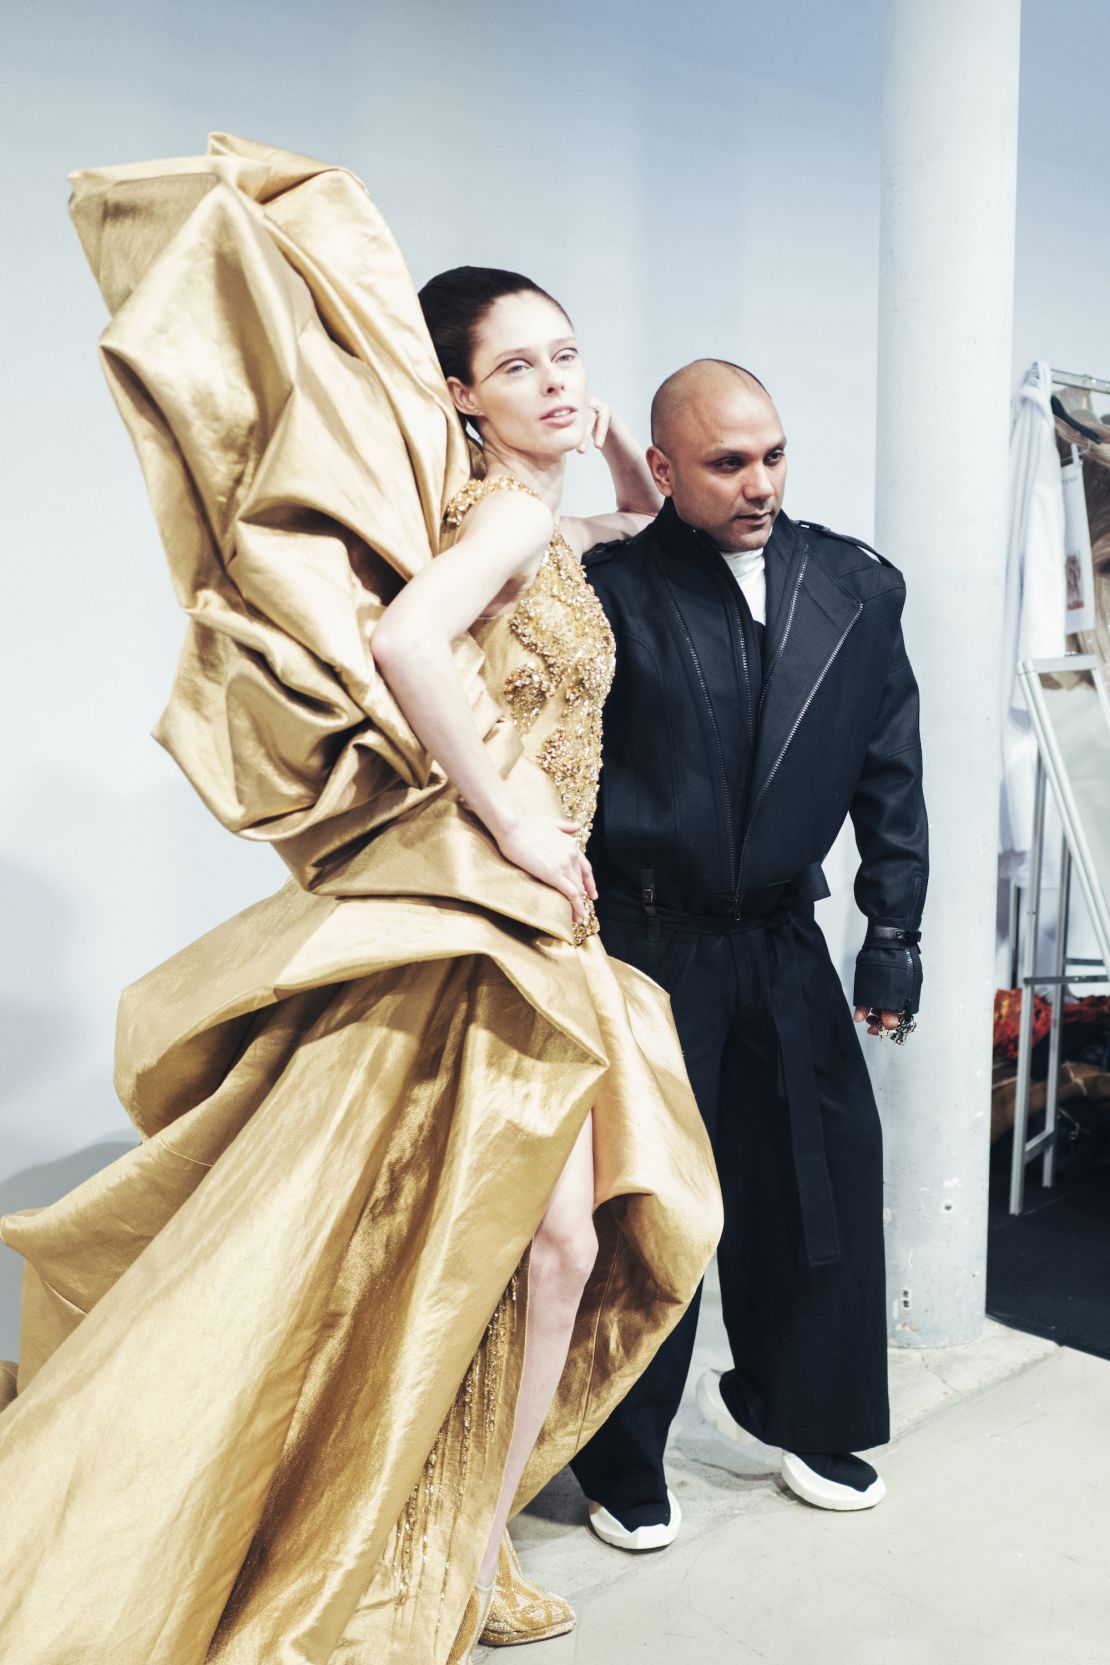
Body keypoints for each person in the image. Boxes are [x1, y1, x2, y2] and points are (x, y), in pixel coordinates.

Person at [0, 136, 721, 1665]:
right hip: (503, 915)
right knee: (513, 1244)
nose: (550, 379)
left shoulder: (521, 513)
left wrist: (613, 475)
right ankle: (442, 1548)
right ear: (456, 391)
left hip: (534, 923)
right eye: (515, 365)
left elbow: (598, 557)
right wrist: (520, 818)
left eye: (567, 354)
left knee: (545, 1246)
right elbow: (407, 649)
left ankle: (460, 1535)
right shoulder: (503, 524)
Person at [570, 357, 929, 1549]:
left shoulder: (855, 587)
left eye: (773, 454)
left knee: (814, 1180)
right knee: (650, 1204)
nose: (760, 482)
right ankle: (623, 1458)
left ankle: (809, 1417)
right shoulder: (610, 591)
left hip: (784, 936)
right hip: (646, 939)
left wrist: (895, 936)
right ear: (664, 470)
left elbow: (891, 775)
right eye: (727, 463)